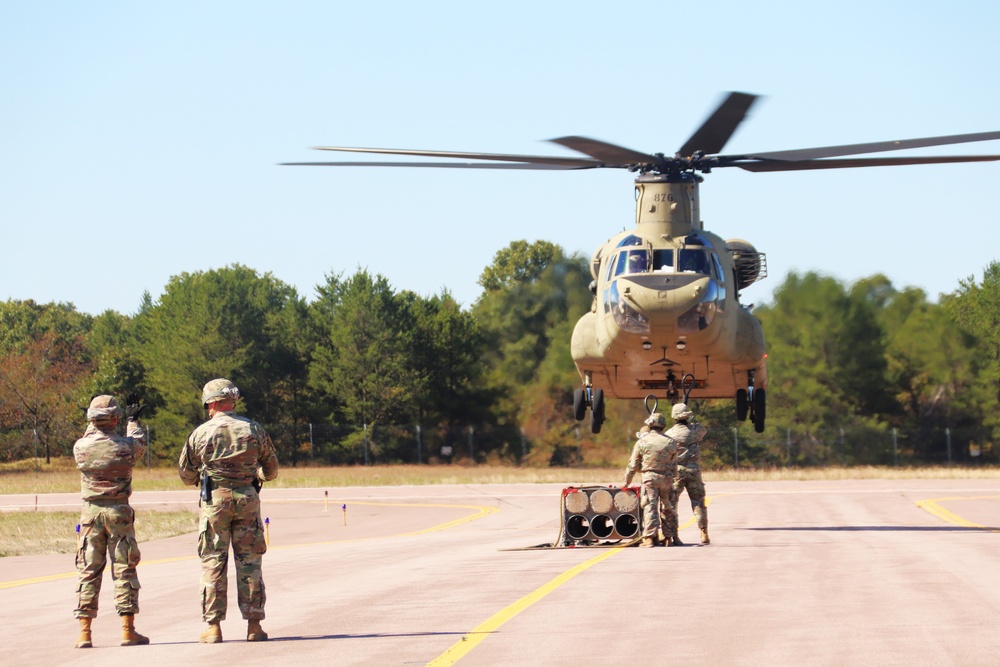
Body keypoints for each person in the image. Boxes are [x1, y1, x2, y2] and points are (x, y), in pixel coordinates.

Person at [178, 378, 279, 644]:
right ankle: (254, 625)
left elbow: (186, 474)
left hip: (215, 501)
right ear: (231, 400)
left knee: (213, 562)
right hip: (247, 498)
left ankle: (213, 628)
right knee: (250, 563)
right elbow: (272, 470)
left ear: (212, 403)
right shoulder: (254, 429)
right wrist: (254, 474)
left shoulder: (200, 434)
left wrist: (206, 477)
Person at [72, 393, 150, 648]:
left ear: (91, 420)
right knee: (124, 568)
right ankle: (128, 630)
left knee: (89, 570)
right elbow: (139, 442)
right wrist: (132, 421)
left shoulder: (81, 447)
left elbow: (90, 436)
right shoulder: (125, 448)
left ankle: (85, 632)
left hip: (91, 513)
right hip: (118, 512)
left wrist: (98, 421)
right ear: (115, 418)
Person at [622, 412, 677, 547]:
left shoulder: (642, 442)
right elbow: (674, 463)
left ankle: (649, 538)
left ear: (650, 424)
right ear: (663, 425)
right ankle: (668, 537)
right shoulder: (670, 442)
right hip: (666, 478)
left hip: (649, 478)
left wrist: (627, 480)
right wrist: (672, 477)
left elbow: (633, 464)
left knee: (650, 506)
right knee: (667, 507)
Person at [666, 403, 710, 544]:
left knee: (672, 504)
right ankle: (703, 532)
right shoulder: (695, 430)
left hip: (677, 471)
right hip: (693, 471)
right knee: (698, 502)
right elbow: (703, 430)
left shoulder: (669, 434)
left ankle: (674, 535)